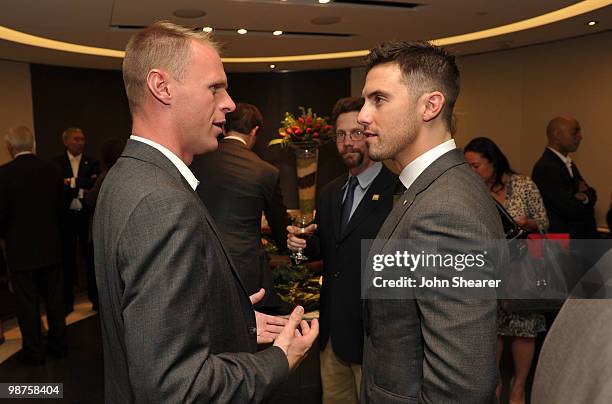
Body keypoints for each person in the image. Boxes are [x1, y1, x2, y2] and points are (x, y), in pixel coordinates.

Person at [93, 22, 317, 403]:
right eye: (215, 88)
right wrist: (280, 359)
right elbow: (176, 387)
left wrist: (229, 317)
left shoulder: (126, 176)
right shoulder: (161, 202)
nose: (229, 103)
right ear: (161, 87)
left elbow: (147, 325)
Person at [357, 41, 504, 402]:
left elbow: (463, 386)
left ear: (431, 105)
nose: (362, 115)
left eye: (378, 99)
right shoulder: (426, 189)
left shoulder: (446, 210)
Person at [287, 96, 397, 403]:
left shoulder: (397, 192)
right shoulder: (330, 192)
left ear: (370, 134)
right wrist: (302, 244)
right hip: (333, 333)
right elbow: (324, 249)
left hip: (373, 335)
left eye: (356, 133)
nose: (347, 142)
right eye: (340, 135)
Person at [464, 136, 549, 403]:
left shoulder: (522, 184)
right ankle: (495, 384)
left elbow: (544, 222)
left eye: (476, 166)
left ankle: (519, 386)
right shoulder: (471, 191)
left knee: (524, 328)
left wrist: (527, 223)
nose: (472, 172)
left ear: (493, 161)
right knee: (493, 329)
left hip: (524, 268)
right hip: (487, 270)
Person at [191, 103, 289, 308]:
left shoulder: (196, 161)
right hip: (247, 271)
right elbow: (281, 228)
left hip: (201, 263)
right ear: (255, 131)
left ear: (224, 128)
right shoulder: (266, 171)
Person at [0, 126, 66, 365]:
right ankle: (59, 346)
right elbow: (62, 209)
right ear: (33, 145)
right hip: (51, 247)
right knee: (54, 301)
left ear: (10, 147)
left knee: (27, 304)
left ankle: (34, 352)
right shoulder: (53, 170)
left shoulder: (3, 174)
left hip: (21, 251)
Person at [54, 127, 101, 313]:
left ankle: (96, 300)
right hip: (66, 219)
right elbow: (58, 187)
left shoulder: (93, 162)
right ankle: (66, 303)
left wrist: (71, 183)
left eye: (82, 139)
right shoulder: (56, 164)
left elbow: (95, 183)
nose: (80, 142)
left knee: (91, 261)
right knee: (66, 262)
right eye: (76, 139)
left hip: (86, 219)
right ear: (66, 142)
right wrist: (81, 185)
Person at [532, 117, 598, 239]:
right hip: (564, 245)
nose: (580, 137)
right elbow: (570, 209)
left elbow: (592, 193)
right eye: (574, 133)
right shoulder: (547, 167)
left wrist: (585, 196)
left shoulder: (567, 163)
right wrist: (586, 197)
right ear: (557, 135)